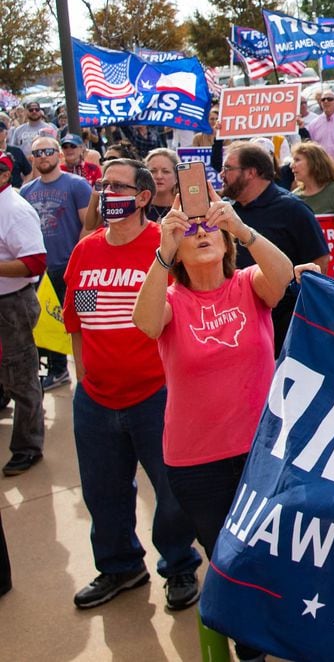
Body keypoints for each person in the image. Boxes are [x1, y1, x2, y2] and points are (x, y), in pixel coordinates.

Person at [131, 187, 293, 662]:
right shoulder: (172, 299)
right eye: (190, 231)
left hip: (263, 452)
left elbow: (281, 275)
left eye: (210, 229)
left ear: (227, 244)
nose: (202, 234)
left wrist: (241, 227)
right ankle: (251, 648)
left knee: (272, 552)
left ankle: (280, 636)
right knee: (229, 559)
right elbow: (144, 322)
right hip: (196, 461)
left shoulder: (248, 284)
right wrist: (161, 251)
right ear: (177, 249)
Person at [63, 158, 201, 612]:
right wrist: (86, 381)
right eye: (102, 185)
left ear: (143, 197)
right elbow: (79, 320)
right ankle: (120, 566)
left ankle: (179, 564)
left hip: (157, 395)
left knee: (172, 490)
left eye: (117, 186)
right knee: (103, 490)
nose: (105, 193)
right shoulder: (86, 251)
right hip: (97, 399)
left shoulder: (166, 246)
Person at [220, 141, 328, 353]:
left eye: (228, 169)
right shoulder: (227, 213)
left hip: (282, 330)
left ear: (251, 172)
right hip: (234, 326)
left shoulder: (293, 210)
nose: (221, 174)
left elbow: (319, 261)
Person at [22, 134, 93, 390]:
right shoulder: (27, 191)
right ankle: (57, 369)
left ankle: (88, 369)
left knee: (80, 321)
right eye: (38, 153)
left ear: (58, 155)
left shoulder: (77, 185)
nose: (43, 157)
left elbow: (89, 224)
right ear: (32, 159)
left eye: (48, 151)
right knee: (47, 321)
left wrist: (78, 260)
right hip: (41, 268)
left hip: (69, 265)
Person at [0, 153, 46, 476]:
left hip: (12, 304)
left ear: (5, 175)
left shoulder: (14, 210)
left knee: (22, 375)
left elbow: (35, 262)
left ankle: (28, 446)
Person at [289, 142, 334, 285]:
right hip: (305, 276)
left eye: (297, 160)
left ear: (314, 162)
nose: (292, 165)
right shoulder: (293, 197)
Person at [143, 148, 180, 222]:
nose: (159, 176)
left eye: (165, 171)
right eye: (153, 171)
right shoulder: (137, 207)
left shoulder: (186, 208)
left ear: (176, 176)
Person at [0, 117, 32, 183]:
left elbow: (28, 172)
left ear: (6, 133)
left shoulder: (16, 151)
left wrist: (23, 187)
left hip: (15, 190)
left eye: (0, 131)